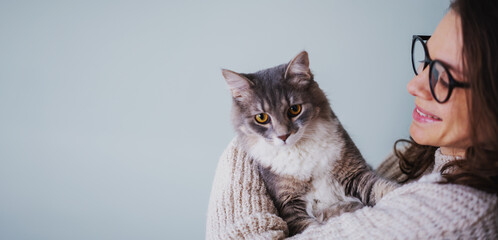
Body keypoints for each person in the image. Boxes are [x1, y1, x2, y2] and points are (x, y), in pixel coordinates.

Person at [206, 0, 498, 239]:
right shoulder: (430, 152)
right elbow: (366, 183)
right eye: (426, 60)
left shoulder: (452, 217)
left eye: (443, 76)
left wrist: (238, 153)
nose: (414, 85)